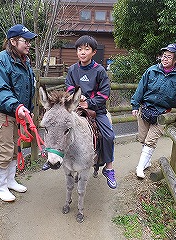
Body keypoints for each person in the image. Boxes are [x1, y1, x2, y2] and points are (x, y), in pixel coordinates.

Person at [51, 35, 117, 189]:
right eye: (80, 49)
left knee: (109, 136)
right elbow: (69, 87)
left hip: (97, 110)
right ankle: (52, 156)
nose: (82, 52)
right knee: (59, 126)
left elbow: (104, 93)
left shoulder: (100, 71)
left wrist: (89, 102)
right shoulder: (73, 69)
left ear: (93, 52)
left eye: (86, 49)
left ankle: (109, 168)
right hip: (77, 108)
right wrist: (76, 98)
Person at [0, 24, 37, 201]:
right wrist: (17, 106)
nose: (29, 44)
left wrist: (27, 110)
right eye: (26, 40)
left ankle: (10, 180)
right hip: (3, 114)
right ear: (13, 41)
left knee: (16, 146)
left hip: (19, 113)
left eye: (30, 41)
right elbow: (1, 90)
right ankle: (1, 187)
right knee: (5, 149)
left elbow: (28, 88)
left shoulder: (25, 61)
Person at [131, 43, 176, 179]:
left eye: (169, 57)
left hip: (162, 113)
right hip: (145, 109)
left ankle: (140, 167)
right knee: (143, 138)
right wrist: (135, 105)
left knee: (151, 140)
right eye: (164, 56)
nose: (165, 59)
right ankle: (146, 162)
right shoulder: (151, 70)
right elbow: (140, 88)